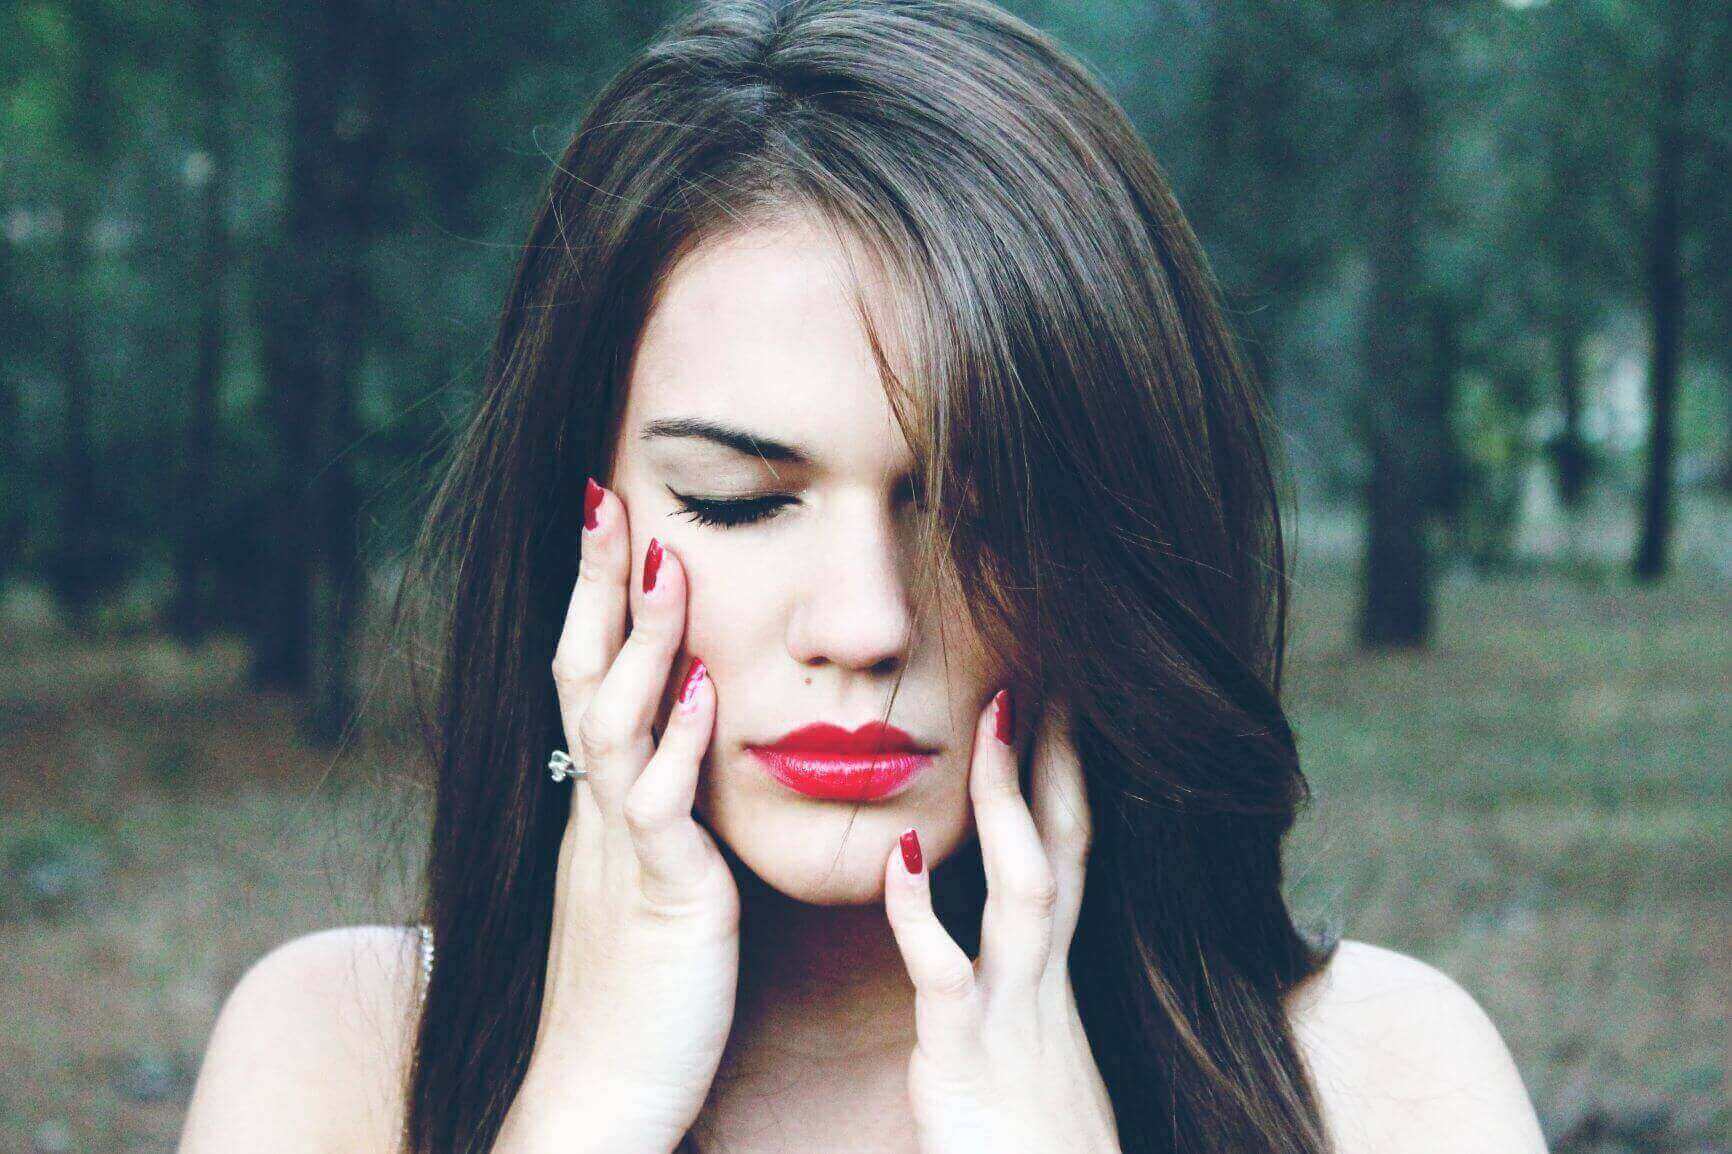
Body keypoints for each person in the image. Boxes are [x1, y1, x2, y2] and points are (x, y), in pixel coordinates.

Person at [176, 2, 1550, 1152]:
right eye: (740, 499)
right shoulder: (339, 1059)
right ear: (573, 526)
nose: (866, 621)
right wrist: (586, 1105)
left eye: (982, 509)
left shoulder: (1380, 1079)